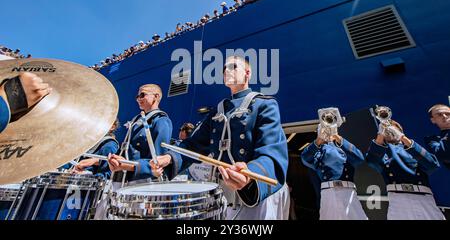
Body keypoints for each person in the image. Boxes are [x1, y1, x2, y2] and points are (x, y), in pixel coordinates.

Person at [150, 56, 290, 220]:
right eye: (224, 69)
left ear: (247, 73)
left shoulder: (264, 105)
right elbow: (192, 145)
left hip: (254, 195)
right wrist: (170, 158)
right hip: (223, 197)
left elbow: (272, 151)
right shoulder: (217, 112)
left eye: (233, 67)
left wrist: (250, 175)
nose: (226, 71)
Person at [366, 119, 445, 220]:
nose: (389, 130)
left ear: (400, 130)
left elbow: (432, 165)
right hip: (398, 198)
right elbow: (372, 161)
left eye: (393, 128)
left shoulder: (411, 147)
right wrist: (380, 134)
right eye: (385, 129)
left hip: (423, 196)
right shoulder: (383, 151)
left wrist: (402, 137)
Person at [301, 123, 367, 220]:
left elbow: (359, 159)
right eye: (323, 129)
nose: (327, 131)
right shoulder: (318, 151)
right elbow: (305, 158)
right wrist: (319, 140)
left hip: (348, 191)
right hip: (329, 192)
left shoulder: (342, 145)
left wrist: (337, 137)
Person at [107, 84, 173, 182]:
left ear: (156, 96)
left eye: (142, 95)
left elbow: (159, 158)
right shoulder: (137, 120)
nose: (138, 99)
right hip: (125, 178)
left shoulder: (161, 121)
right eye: (137, 96)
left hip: (144, 180)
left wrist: (130, 166)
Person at [424, 104, 450, 169]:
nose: (445, 116)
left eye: (448, 114)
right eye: (439, 114)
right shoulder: (432, 140)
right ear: (433, 120)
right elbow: (443, 155)